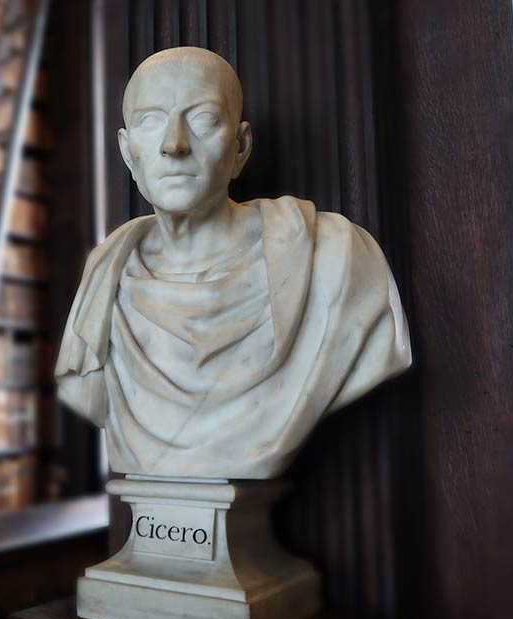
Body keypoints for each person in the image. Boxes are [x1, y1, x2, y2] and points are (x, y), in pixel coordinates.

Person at [55, 46, 412, 479]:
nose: (174, 145)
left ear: (240, 146)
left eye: (202, 117)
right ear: (130, 154)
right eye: (151, 121)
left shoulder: (333, 257)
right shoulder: (106, 275)